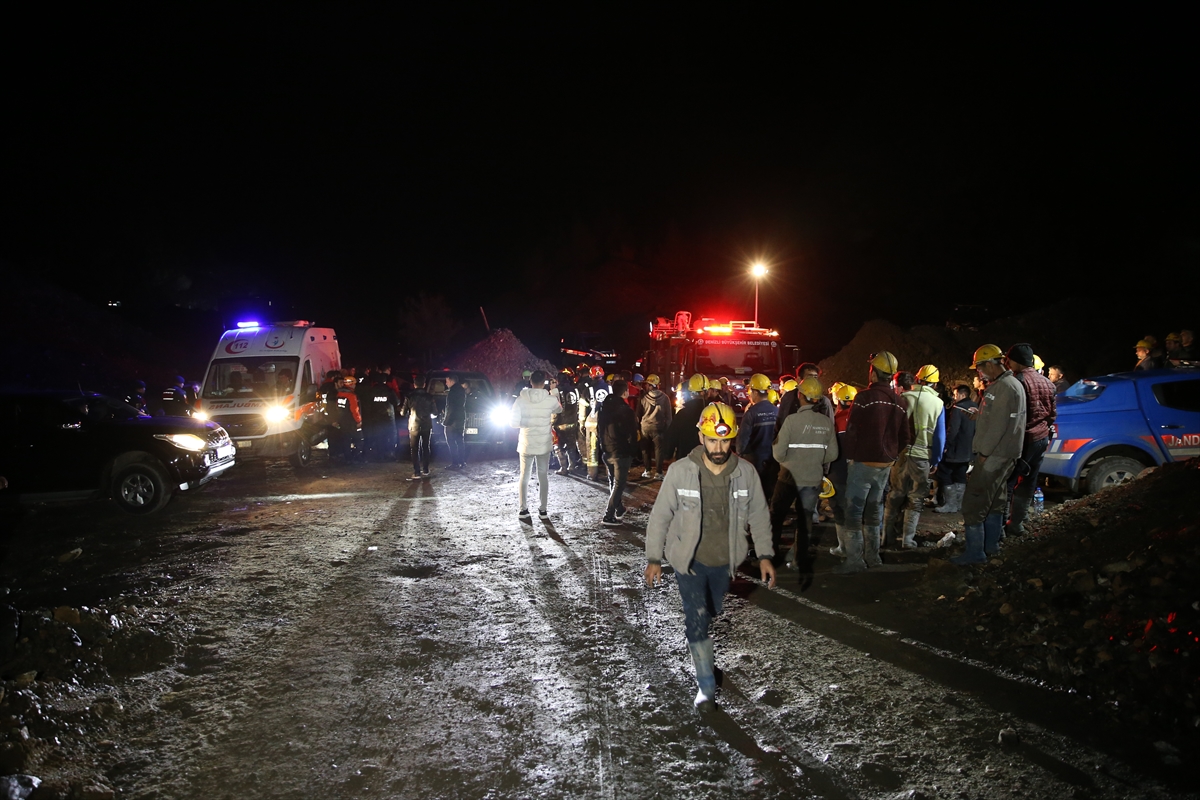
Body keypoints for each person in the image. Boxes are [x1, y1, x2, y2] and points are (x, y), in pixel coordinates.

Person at [643, 402, 776, 711]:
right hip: (688, 561)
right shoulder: (680, 471)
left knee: (712, 609)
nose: (719, 448)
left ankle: (701, 640)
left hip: (724, 561)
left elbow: (759, 515)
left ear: (733, 439)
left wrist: (765, 555)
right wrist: (654, 558)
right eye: (713, 440)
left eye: (725, 441)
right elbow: (660, 516)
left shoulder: (745, 473)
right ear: (701, 437)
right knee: (697, 619)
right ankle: (705, 687)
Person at [951, 345, 1026, 565]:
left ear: (991, 364)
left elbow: (998, 427)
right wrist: (981, 415)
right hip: (1007, 455)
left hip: (994, 456)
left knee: (973, 503)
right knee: (995, 501)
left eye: (980, 367)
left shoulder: (1002, 388)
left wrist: (983, 454)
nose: (979, 373)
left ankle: (975, 553)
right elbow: (1003, 418)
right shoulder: (1013, 384)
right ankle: (991, 546)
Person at [836, 351, 910, 574]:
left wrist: (851, 456)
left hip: (863, 463)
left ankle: (854, 561)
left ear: (874, 373)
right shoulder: (900, 401)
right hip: (884, 466)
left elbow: (852, 430)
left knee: (854, 513)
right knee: (874, 511)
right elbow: (905, 437)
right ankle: (873, 557)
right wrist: (891, 455)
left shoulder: (864, 398)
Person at [771, 376, 838, 574]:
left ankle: (770, 557)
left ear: (800, 395)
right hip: (812, 479)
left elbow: (778, 453)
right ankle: (799, 561)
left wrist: (790, 461)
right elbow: (833, 454)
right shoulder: (826, 422)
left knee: (776, 516)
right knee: (805, 520)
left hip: (788, 477)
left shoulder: (791, 421)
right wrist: (814, 460)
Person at [882, 364, 945, 549]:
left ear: (917, 379)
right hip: (922, 456)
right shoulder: (938, 404)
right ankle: (907, 540)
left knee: (895, 495)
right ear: (935, 384)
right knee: (916, 498)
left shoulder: (902, 398)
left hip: (900, 455)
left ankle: (886, 537)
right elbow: (940, 436)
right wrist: (936, 459)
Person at [1004, 343, 1057, 537]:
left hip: (1023, 440)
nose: (1008, 364)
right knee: (1028, 482)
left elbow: (1012, 415)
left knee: (1008, 482)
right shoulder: (1048, 383)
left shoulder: (1017, 381)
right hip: (1041, 438)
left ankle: (1000, 526)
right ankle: (1017, 523)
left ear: (1016, 361)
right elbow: (1052, 415)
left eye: (1009, 361)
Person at [510, 370, 563, 522]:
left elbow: (513, 423)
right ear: (544, 383)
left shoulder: (520, 400)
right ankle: (543, 510)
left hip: (526, 443)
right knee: (543, 475)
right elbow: (559, 409)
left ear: (530, 381)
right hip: (543, 443)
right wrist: (554, 393)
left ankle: (523, 509)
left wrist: (527, 423)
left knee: (524, 476)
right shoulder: (550, 399)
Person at [599, 379, 638, 525]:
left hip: (606, 449)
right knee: (619, 484)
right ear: (625, 392)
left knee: (613, 481)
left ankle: (619, 508)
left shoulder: (603, 407)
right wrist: (633, 451)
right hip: (620, 451)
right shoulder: (626, 411)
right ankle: (609, 515)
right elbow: (632, 434)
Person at [933, 385, 976, 513]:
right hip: (968, 450)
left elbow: (953, 430)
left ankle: (951, 504)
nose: (953, 397)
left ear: (962, 395)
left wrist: (945, 446)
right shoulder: (976, 407)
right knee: (960, 475)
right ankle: (958, 504)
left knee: (944, 473)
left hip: (955, 449)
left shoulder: (958, 408)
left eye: (955, 394)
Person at [827, 383, 857, 556]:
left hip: (838, 473)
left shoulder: (835, 421)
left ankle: (844, 548)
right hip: (860, 473)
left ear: (838, 401)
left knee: (839, 509)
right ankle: (859, 547)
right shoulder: (864, 421)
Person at [736, 373, 777, 487]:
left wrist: (739, 455)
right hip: (773, 461)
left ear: (754, 392)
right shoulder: (777, 411)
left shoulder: (751, 413)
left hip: (755, 462)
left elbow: (742, 441)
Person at [664, 373, 708, 461]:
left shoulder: (683, 414)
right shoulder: (712, 412)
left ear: (690, 393)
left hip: (685, 459)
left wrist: (667, 454)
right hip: (707, 460)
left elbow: (671, 437)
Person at [636, 373, 673, 480]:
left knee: (645, 450)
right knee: (658, 450)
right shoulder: (665, 398)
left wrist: (637, 427)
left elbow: (638, 414)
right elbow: (669, 416)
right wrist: (667, 428)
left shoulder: (643, 397)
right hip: (659, 427)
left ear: (650, 385)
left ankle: (647, 471)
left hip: (645, 427)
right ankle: (658, 473)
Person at [400, 374, 437, 479]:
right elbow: (435, 412)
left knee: (414, 448)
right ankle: (426, 469)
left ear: (414, 384)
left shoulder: (409, 396)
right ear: (424, 384)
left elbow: (403, 412)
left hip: (414, 425)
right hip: (426, 425)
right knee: (426, 447)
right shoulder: (429, 397)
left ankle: (417, 472)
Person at [552, 369, 583, 475]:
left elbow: (554, 409)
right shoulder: (575, 390)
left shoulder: (555, 391)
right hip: (573, 422)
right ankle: (572, 466)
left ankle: (563, 468)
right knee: (571, 445)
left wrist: (552, 423)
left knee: (558, 446)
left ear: (558, 380)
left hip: (560, 424)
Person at [363, 372, 399, 461]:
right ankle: (389, 454)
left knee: (378, 436)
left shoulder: (371, 391)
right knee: (390, 435)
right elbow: (397, 402)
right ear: (385, 381)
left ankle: (379, 455)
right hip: (388, 418)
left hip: (375, 417)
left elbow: (367, 404)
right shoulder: (389, 390)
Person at [442, 374, 467, 469]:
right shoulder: (461, 390)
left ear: (452, 381)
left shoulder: (452, 392)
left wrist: (446, 421)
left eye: (447, 381)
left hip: (452, 421)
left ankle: (455, 463)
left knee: (451, 442)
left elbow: (451, 408)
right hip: (460, 419)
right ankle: (462, 462)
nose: (446, 383)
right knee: (460, 441)